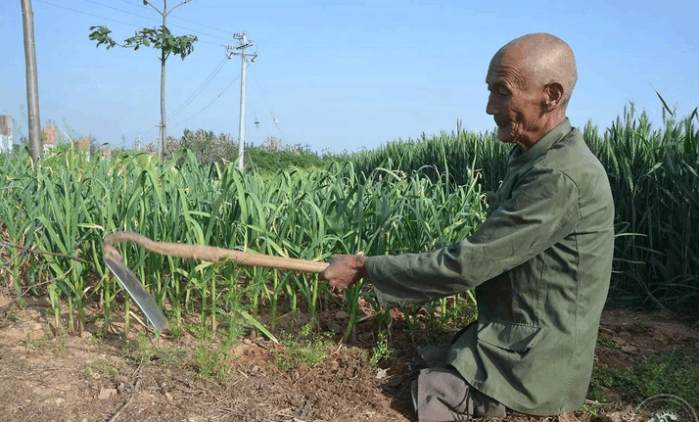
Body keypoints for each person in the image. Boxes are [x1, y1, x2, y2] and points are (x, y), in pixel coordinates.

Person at [321, 33, 615, 421]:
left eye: (502, 92)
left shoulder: (560, 176)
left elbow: (469, 263)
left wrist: (367, 268)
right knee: (435, 364)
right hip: (520, 335)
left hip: (538, 365)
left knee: (428, 395)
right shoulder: (535, 159)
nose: (490, 107)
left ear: (552, 95)